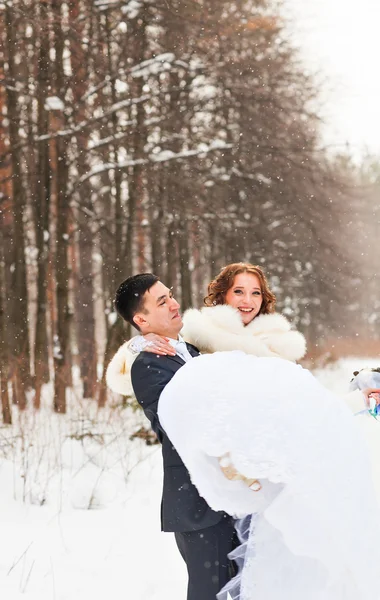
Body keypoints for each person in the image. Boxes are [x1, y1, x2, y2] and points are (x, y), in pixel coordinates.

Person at [113, 273, 239, 600]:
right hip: (197, 502)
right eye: (161, 301)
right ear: (141, 319)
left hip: (229, 493)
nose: (174, 303)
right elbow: (183, 426)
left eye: (170, 295)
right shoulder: (147, 365)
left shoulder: (193, 350)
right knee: (210, 593)